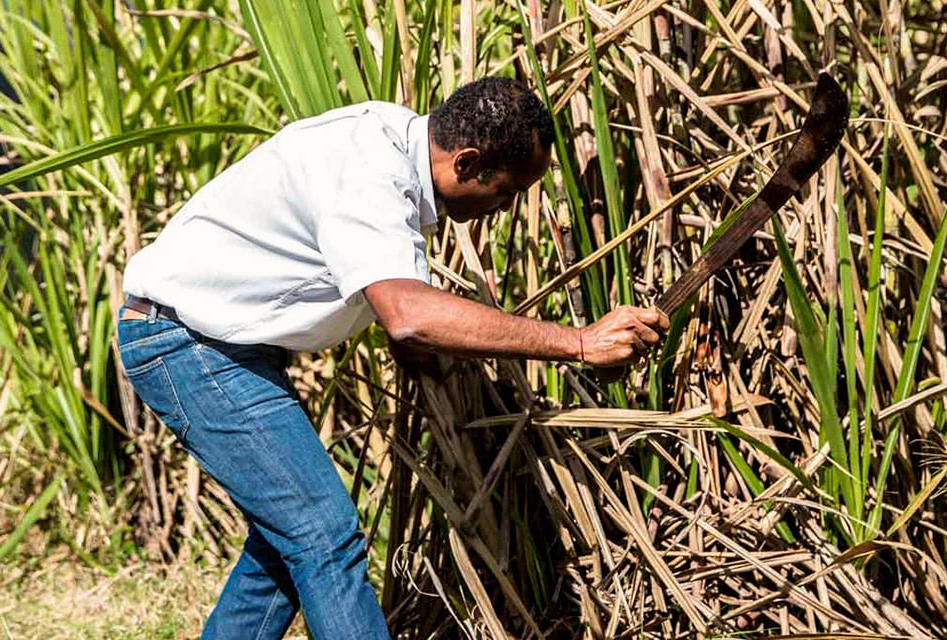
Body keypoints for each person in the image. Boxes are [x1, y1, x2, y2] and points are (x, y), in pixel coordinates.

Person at [117, 77, 669, 640]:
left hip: (222, 344)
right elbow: (407, 311)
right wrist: (578, 343)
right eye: (505, 192)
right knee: (322, 535)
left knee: (286, 543)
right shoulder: (371, 173)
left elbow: (386, 299)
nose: (503, 209)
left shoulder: (389, 144)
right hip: (187, 343)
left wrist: (412, 346)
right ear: (467, 162)